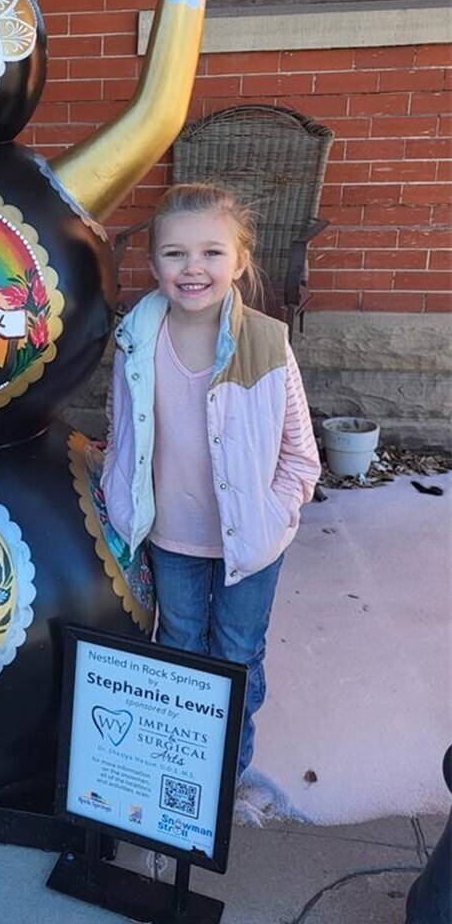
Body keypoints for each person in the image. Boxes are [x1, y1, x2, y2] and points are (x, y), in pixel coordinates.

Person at [102, 182, 320, 784]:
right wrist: (124, 499)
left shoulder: (267, 344)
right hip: (172, 538)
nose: (193, 268)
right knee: (179, 649)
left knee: (237, 653)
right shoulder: (135, 342)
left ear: (240, 261)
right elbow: (123, 433)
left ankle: (227, 770)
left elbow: (300, 455)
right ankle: (183, 773)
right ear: (153, 264)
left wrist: (276, 514)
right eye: (175, 253)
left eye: (212, 253)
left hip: (250, 545)